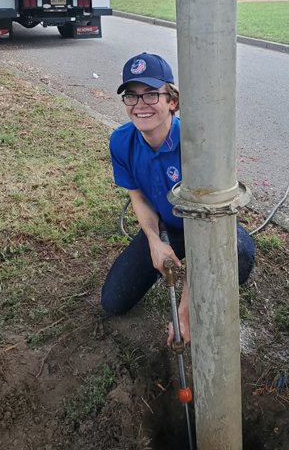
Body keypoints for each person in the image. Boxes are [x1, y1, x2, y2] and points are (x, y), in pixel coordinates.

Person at [101, 52, 255, 344]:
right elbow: (139, 198)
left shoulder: (195, 146)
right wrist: (154, 242)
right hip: (168, 227)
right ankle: (182, 260)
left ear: (171, 101)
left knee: (240, 254)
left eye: (151, 95)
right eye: (131, 96)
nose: (140, 105)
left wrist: (184, 312)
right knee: (113, 302)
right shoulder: (121, 141)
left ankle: (206, 281)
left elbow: (209, 217)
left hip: (207, 225)